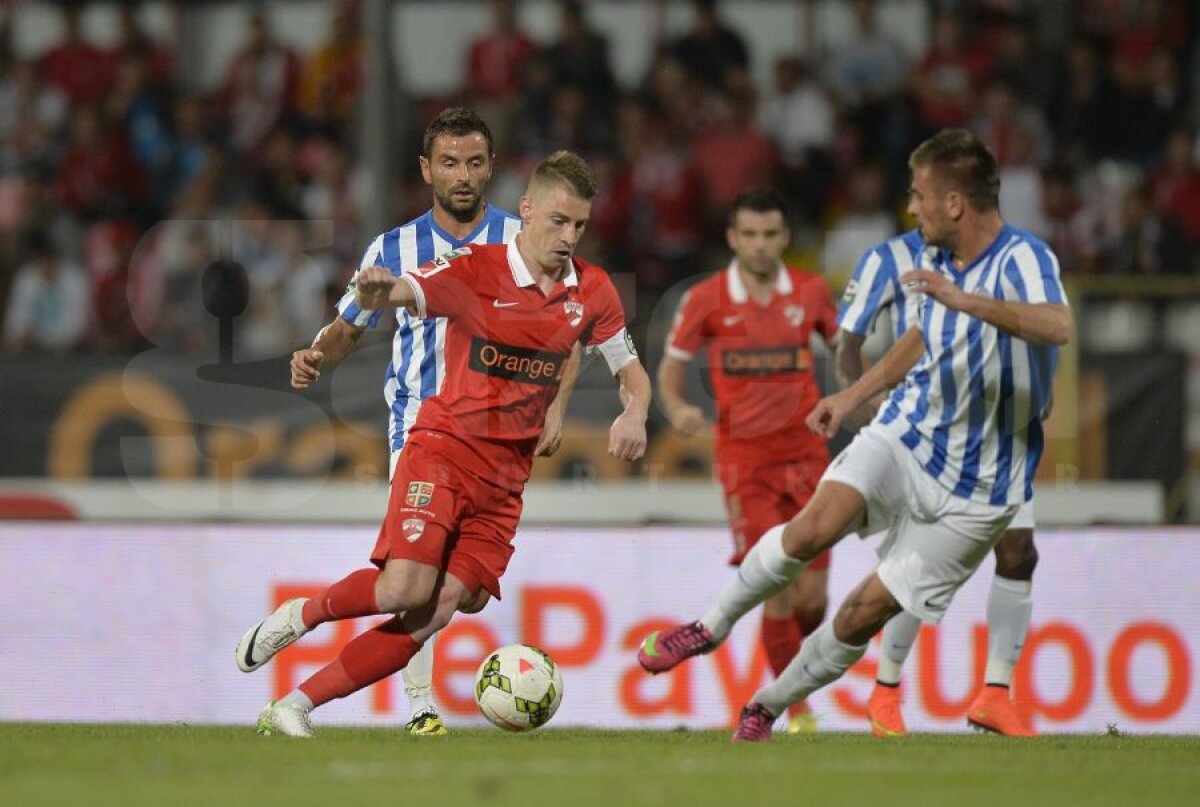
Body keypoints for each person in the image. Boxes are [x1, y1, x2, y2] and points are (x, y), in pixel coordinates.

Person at [637, 129, 1070, 742]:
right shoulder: (936, 262)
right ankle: (708, 627)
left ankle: (767, 704)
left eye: (919, 196)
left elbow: (1057, 325)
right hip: (910, 435)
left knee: (862, 611)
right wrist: (850, 396)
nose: (911, 208)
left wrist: (967, 301)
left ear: (954, 204)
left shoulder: (1024, 258)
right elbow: (918, 341)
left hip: (984, 488)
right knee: (813, 528)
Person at [241, 150, 650, 738]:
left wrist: (634, 411)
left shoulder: (593, 289)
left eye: (580, 226)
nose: (569, 237)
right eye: (559, 222)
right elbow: (402, 292)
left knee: (437, 609)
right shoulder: (476, 269)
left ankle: (293, 707)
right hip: (443, 449)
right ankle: (301, 616)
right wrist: (379, 290)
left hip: (506, 480)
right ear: (528, 210)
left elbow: (630, 372)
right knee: (404, 587)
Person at [281, 108, 580, 736]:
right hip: (422, 426)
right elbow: (347, 326)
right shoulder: (392, 248)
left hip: (500, 438)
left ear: (492, 167)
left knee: (456, 589)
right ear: (427, 170)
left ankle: (330, 642)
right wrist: (315, 353)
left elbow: (570, 328)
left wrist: (556, 404)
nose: (462, 175)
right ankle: (420, 705)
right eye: (449, 163)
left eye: (474, 162)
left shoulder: (521, 241)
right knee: (423, 573)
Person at [838, 228, 1041, 737]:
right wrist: (866, 410)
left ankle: (996, 694)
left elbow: (1035, 332)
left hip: (1000, 431)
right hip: (930, 434)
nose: (918, 204)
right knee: (920, 563)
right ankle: (884, 692)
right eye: (916, 193)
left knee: (1019, 552)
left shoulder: (1012, 259)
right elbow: (849, 343)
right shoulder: (886, 258)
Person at [657, 187, 838, 733]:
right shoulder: (708, 298)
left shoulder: (810, 291)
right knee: (777, 585)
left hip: (808, 455)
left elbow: (847, 352)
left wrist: (859, 395)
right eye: (750, 235)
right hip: (746, 463)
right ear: (734, 238)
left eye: (770, 235)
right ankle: (792, 708)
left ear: (783, 238)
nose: (760, 245)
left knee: (815, 596)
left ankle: (793, 676)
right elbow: (672, 368)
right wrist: (678, 406)